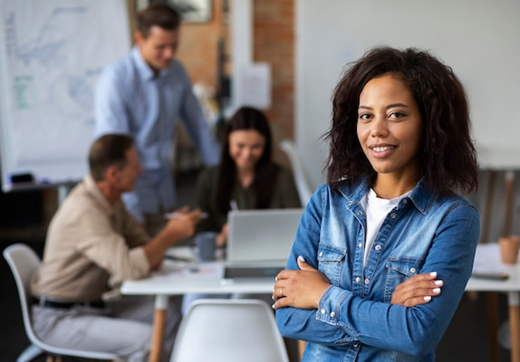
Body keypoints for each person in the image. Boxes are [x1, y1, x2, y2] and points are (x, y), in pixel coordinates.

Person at [272, 46, 480, 361]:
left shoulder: (453, 218)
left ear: (430, 122)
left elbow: (417, 334)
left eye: (396, 114)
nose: (377, 131)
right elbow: (289, 318)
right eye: (366, 116)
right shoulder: (326, 202)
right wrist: (386, 314)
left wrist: (322, 295)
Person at [30, 134, 204, 362]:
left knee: (169, 318)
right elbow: (129, 268)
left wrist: (164, 238)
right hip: (60, 317)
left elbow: (145, 248)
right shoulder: (85, 211)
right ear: (114, 174)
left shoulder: (112, 199)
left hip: (93, 305)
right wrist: (170, 234)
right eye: (135, 164)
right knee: (146, 341)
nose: (141, 170)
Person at [94, 3, 220, 236]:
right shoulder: (116, 80)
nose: (169, 54)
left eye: (174, 45)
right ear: (139, 39)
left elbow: (199, 127)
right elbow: (115, 155)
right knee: (138, 267)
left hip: (166, 193)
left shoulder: (177, 72)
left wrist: (222, 176)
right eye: (160, 47)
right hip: (132, 199)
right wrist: (133, 211)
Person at [195, 106, 301, 248]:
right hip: (222, 256)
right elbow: (198, 233)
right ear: (228, 143)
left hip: (271, 252)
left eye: (255, 147)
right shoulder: (209, 178)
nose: (246, 154)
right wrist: (220, 238)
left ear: (265, 146)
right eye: (240, 145)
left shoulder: (283, 177)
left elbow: (297, 226)